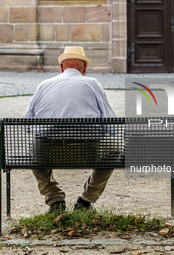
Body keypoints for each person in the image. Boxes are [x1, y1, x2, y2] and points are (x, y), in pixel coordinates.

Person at [23, 46, 116, 213]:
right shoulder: (93, 84)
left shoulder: (44, 85)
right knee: (115, 151)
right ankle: (85, 201)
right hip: (88, 152)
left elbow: (27, 125)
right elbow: (111, 126)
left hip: (48, 153)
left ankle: (55, 199)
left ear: (61, 68)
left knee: (33, 152)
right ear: (84, 68)